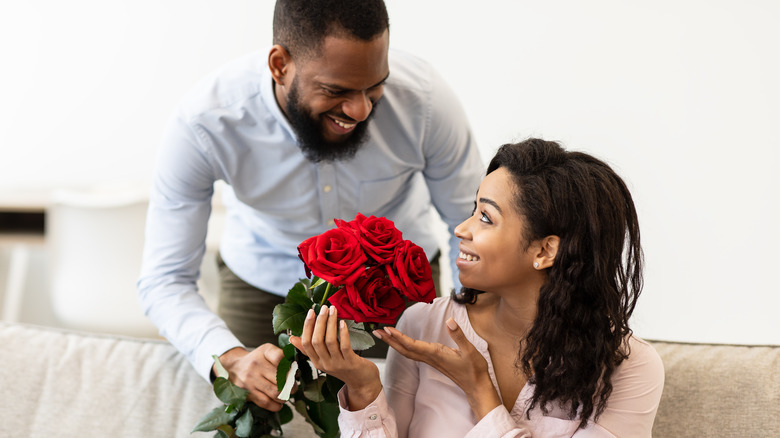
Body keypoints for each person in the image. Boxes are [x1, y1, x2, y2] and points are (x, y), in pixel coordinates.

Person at [137, 0, 483, 412]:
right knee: (256, 413)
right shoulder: (204, 124)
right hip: (261, 286)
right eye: (336, 90)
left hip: (396, 288)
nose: (360, 110)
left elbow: (472, 230)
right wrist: (227, 357)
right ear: (280, 65)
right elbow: (165, 279)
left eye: (374, 88)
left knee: (414, 416)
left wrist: (469, 328)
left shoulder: (425, 102)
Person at [290, 138, 665, 437]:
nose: (461, 230)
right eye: (473, 210)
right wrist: (363, 388)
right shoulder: (423, 326)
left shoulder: (627, 369)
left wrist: (480, 392)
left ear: (545, 249)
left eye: (485, 217)